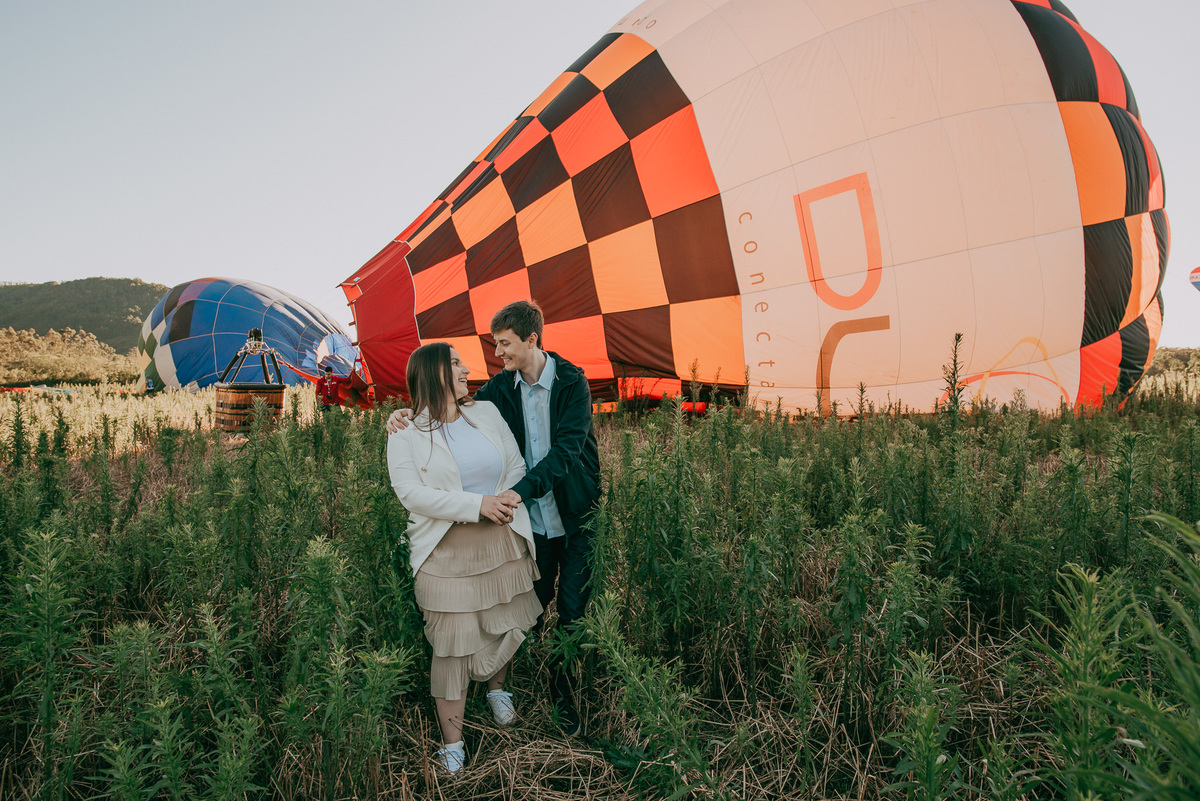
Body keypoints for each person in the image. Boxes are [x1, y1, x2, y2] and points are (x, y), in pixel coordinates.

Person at [388, 300, 601, 736]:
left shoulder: (573, 384)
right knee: (526, 610)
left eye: (504, 344)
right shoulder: (500, 391)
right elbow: (454, 412)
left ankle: (568, 698)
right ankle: (501, 689)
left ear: (531, 340)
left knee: (575, 608)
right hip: (528, 523)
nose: (497, 354)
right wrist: (407, 414)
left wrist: (506, 497)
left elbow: (565, 453)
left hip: (572, 516)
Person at [386, 342, 542, 774]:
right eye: (455, 363)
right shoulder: (405, 431)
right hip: (447, 549)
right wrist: (476, 506)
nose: (467, 368)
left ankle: (497, 691)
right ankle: (453, 745)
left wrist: (503, 502)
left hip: (501, 536)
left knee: (505, 617)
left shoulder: (487, 413)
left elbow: (515, 464)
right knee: (451, 645)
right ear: (433, 373)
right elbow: (411, 494)